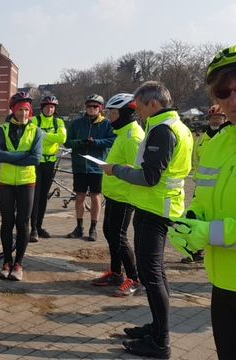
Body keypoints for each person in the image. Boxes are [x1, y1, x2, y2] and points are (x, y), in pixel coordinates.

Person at [167, 42, 236, 359]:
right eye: (223, 93)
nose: (234, 98)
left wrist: (211, 233)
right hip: (223, 284)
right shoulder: (218, 143)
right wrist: (190, 222)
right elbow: (203, 198)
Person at [101, 81, 193, 358]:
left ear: (153, 104)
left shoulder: (163, 130)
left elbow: (149, 177)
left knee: (151, 275)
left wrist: (116, 170)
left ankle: (160, 341)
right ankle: (156, 327)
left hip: (155, 208)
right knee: (156, 273)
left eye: (139, 106)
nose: (137, 112)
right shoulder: (174, 126)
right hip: (155, 206)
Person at [90, 93, 144, 297]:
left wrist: (114, 168)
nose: (109, 116)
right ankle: (115, 273)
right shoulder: (123, 133)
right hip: (114, 194)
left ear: (125, 113)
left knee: (119, 237)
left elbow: (135, 171)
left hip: (124, 197)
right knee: (109, 232)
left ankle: (135, 278)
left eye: (112, 112)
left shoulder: (133, 137)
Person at [0, 92, 43, 281]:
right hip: (6, 182)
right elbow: (0, 155)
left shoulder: (36, 131)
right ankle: (7, 261)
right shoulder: (3, 129)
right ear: (13, 110)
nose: (24, 113)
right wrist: (23, 156)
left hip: (26, 182)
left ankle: (18, 263)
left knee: (23, 223)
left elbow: (36, 158)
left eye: (26, 110)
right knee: (7, 223)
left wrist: (11, 157)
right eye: (20, 110)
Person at [182, 104, 230, 264]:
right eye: (213, 118)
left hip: (222, 188)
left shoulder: (228, 137)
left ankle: (217, 250)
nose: (215, 120)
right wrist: (197, 177)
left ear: (224, 119)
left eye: (219, 118)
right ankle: (196, 250)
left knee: (217, 220)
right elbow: (195, 157)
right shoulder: (202, 138)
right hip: (202, 187)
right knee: (198, 219)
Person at [64, 94, 115, 241]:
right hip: (80, 166)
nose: (91, 109)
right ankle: (79, 227)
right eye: (89, 106)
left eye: (95, 106)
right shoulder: (76, 123)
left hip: (97, 166)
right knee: (79, 197)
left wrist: (96, 142)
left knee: (95, 196)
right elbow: (67, 142)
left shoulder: (107, 124)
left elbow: (112, 140)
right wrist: (80, 142)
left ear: (101, 108)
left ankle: (93, 228)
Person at [29, 95, 67, 241]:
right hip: (36, 162)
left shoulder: (59, 122)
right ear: (42, 107)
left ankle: (39, 226)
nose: (49, 109)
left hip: (50, 162)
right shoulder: (34, 120)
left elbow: (62, 139)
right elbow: (32, 136)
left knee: (44, 196)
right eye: (47, 106)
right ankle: (32, 229)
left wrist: (43, 135)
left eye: (52, 107)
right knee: (35, 195)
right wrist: (52, 136)